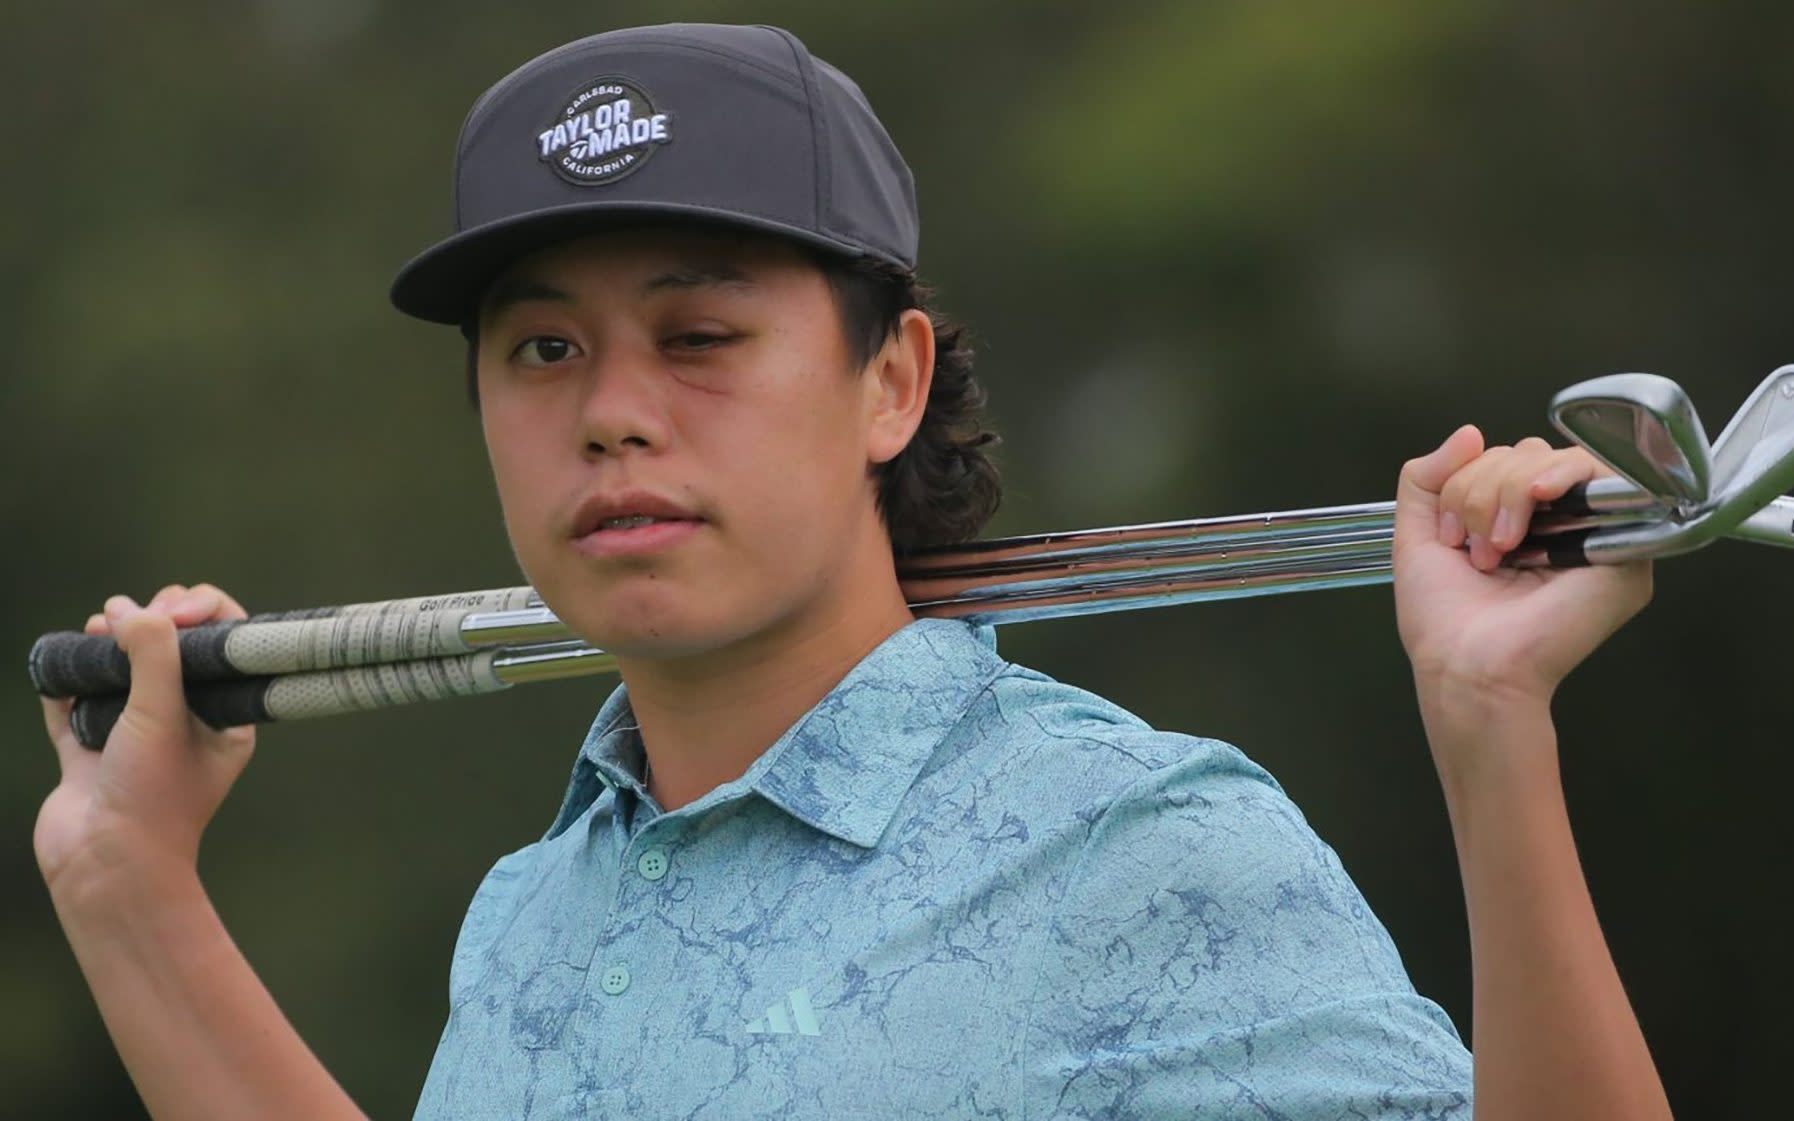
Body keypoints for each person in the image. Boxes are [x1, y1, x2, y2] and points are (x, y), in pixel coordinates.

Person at [33, 22, 1673, 1120]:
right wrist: (130, 889)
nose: (610, 413)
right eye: (542, 349)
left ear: (888, 381)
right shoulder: (529, 914)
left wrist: (1486, 734)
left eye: (699, 337)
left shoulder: (1141, 845)